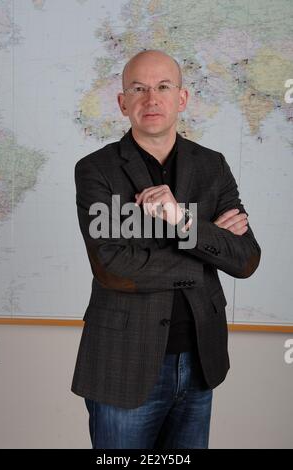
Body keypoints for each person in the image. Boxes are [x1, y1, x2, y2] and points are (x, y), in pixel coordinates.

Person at [71, 50, 261, 449]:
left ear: (182, 99)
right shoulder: (96, 170)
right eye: (138, 89)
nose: (150, 99)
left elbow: (244, 259)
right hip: (123, 361)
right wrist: (206, 250)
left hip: (199, 359)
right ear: (123, 103)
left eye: (162, 87)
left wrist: (183, 221)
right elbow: (113, 265)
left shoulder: (213, 166)